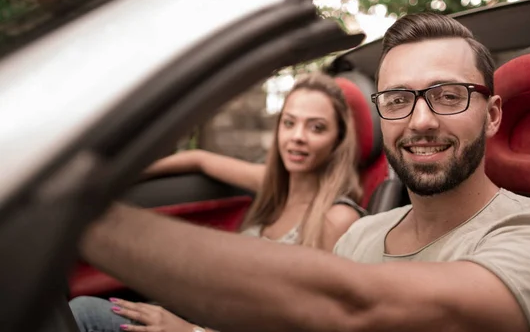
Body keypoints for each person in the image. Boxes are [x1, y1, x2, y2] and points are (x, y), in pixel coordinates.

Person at [77, 12, 530, 332]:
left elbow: (353, 307)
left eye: (448, 96)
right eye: (398, 99)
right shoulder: (366, 235)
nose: (420, 120)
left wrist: (69, 215)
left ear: (491, 115)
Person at [69, 73, 366, 332]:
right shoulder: (274, 184)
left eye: (316, 128)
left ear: (338, 139)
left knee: (82, 314)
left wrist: (191, 331)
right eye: (289, 123)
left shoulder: (336, 219)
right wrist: (116, 178)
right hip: (200, 315)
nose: (297, 137)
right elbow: (199, 159)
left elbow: (312, 325)